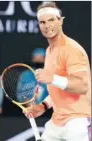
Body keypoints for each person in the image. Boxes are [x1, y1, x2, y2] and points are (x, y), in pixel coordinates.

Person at [24, 2, 91, 141]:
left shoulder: (72, 49)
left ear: (60, 21)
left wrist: (52, 78)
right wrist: (43, 106)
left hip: (77, 122)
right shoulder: (49, 51)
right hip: (56, 122)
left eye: (51, 20)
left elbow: (82, 86)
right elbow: (59, 89)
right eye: (42, 22)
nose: (47, 25)